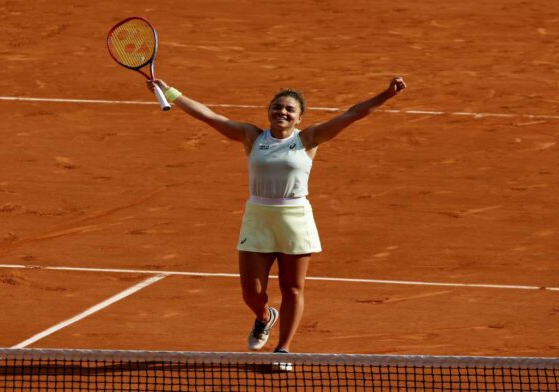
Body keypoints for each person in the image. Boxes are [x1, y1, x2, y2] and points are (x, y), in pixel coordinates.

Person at [147, 77, 406, 356]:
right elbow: (209, 116)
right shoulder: (251, 136)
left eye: (289, 110)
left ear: (298, 118)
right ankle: (264, 317)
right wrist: (170, 92)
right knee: (251, 293)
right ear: (269, 111)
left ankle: (283, 349)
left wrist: (386, 95)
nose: (282, 112)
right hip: (258, 217)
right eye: (277, 107)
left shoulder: (308, 138)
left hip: (295, 218)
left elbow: (353, 114)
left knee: (292, 288)